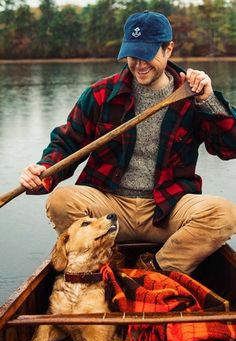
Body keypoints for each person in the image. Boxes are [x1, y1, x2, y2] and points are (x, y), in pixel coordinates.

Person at [19, 11, 236, 274]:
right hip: (110, 208)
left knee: (223, 213)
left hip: (166, 209)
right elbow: (67, 144)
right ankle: (107, 264)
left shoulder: (191, 95)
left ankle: (154, 270)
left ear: (168, 49)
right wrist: (43, 172)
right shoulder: (101, 94)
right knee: (61, 200)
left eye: (147, 54)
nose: (139, 63)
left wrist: (208, 100)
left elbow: (229, 147)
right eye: (133, 55)